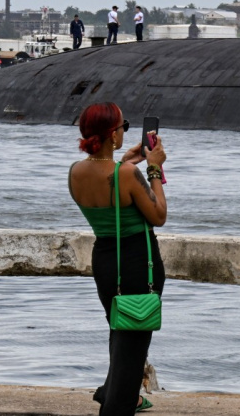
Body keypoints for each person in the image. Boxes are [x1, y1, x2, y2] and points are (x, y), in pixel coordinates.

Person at [69, 102, 167, 415]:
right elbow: (159, 215)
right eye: (123, 127)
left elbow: (111, 196)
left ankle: (108, 391)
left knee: (120, 330)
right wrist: (154, 167)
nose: (125, 131)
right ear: (113, 134)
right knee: (134, 341)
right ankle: (117, 405)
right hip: (139, 262)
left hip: (106, 261)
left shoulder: (76, 172)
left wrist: (125, 161)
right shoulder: (127, 174)